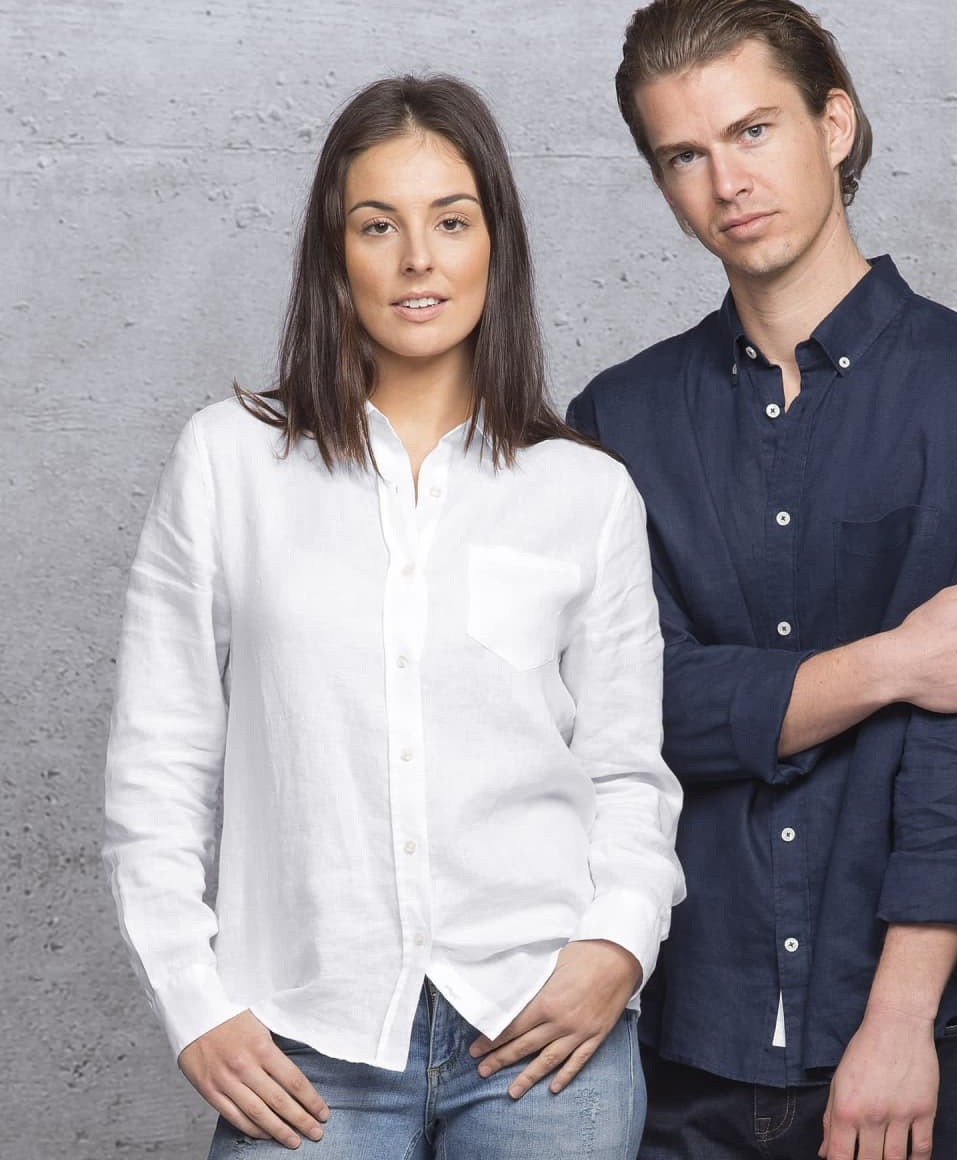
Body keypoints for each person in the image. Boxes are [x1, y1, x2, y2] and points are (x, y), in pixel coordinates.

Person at [103, 74, 686, 1160]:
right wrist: (194, 1001)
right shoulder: (229, 464)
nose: (419, 259)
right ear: (336, 256)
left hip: (541, 1038)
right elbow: (160, 762)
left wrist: (616, 942)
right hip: (306, 1045)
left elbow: (624, 774)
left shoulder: (585, 493)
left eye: (451, 222)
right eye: (380, 225)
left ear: (494, 247)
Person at [567, 0, 957, 1160]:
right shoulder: (620, 422)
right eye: (684, 155)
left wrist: (897, 1022)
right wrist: (894, 663)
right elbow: (625, 713)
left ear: (831, 126)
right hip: (687, 1039)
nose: (727, 183)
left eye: (754, 131)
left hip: (913, 1044)